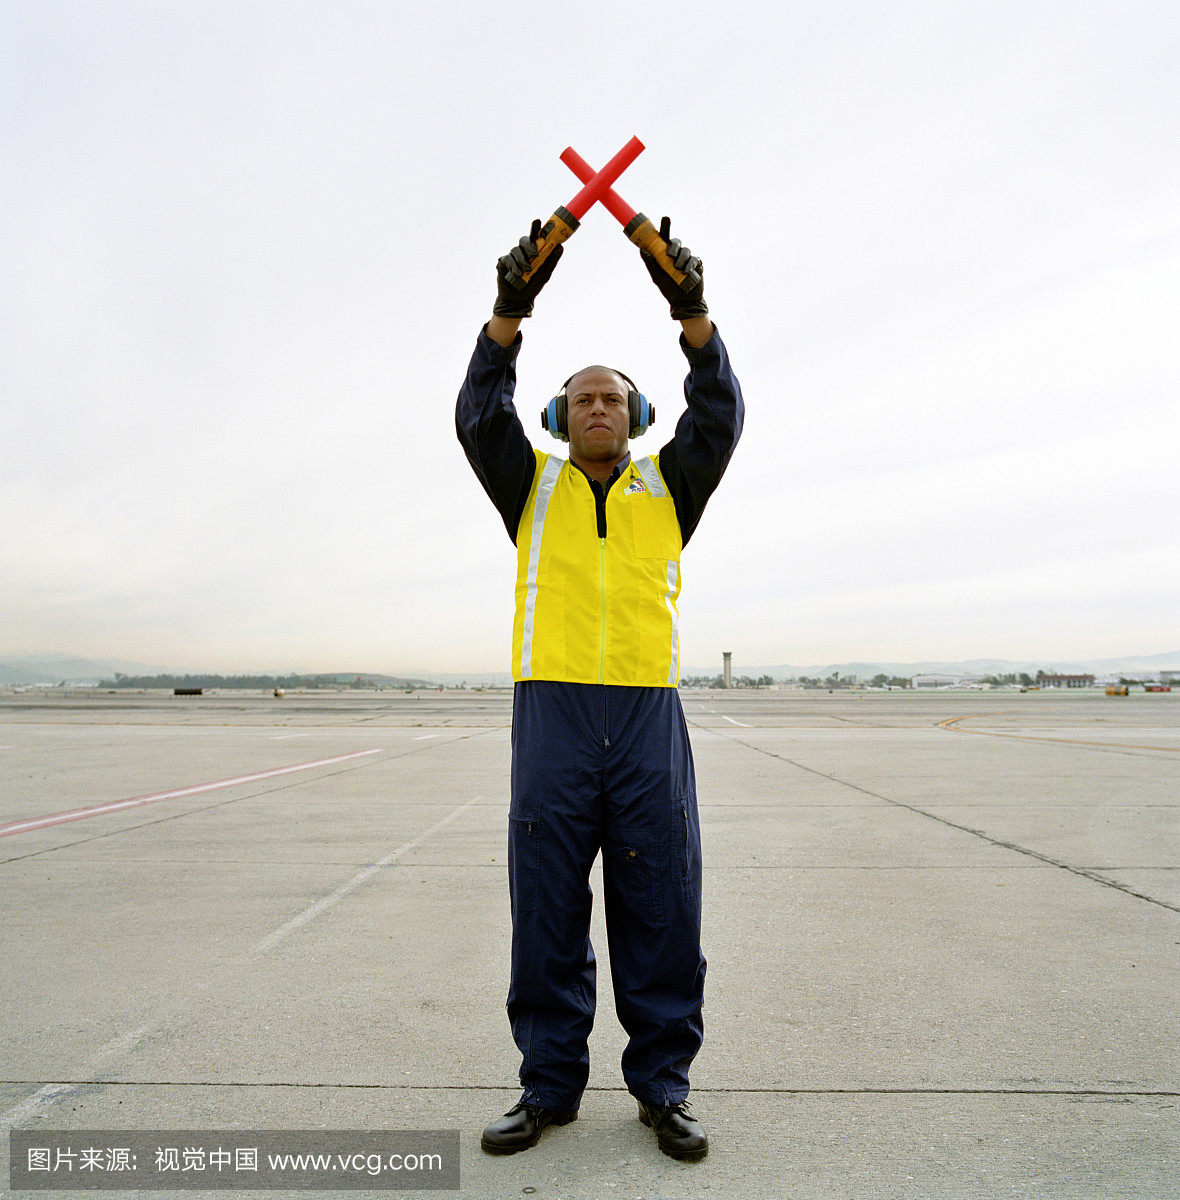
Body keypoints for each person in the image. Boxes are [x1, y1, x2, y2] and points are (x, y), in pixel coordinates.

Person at [455, 214, 743, 1162]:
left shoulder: (671, 487)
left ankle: (663, 1087)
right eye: (581, 398)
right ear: (558, 418)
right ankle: (548, 1086)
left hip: (647, 714)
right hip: (554, 715)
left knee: (662, 903)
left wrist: (692, 312)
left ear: (637, 415)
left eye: (612, 397)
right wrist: (510, 310)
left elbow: (720, 414)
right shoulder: (529, 489)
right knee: (546, 903)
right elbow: (477, 415)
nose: (596, 407)